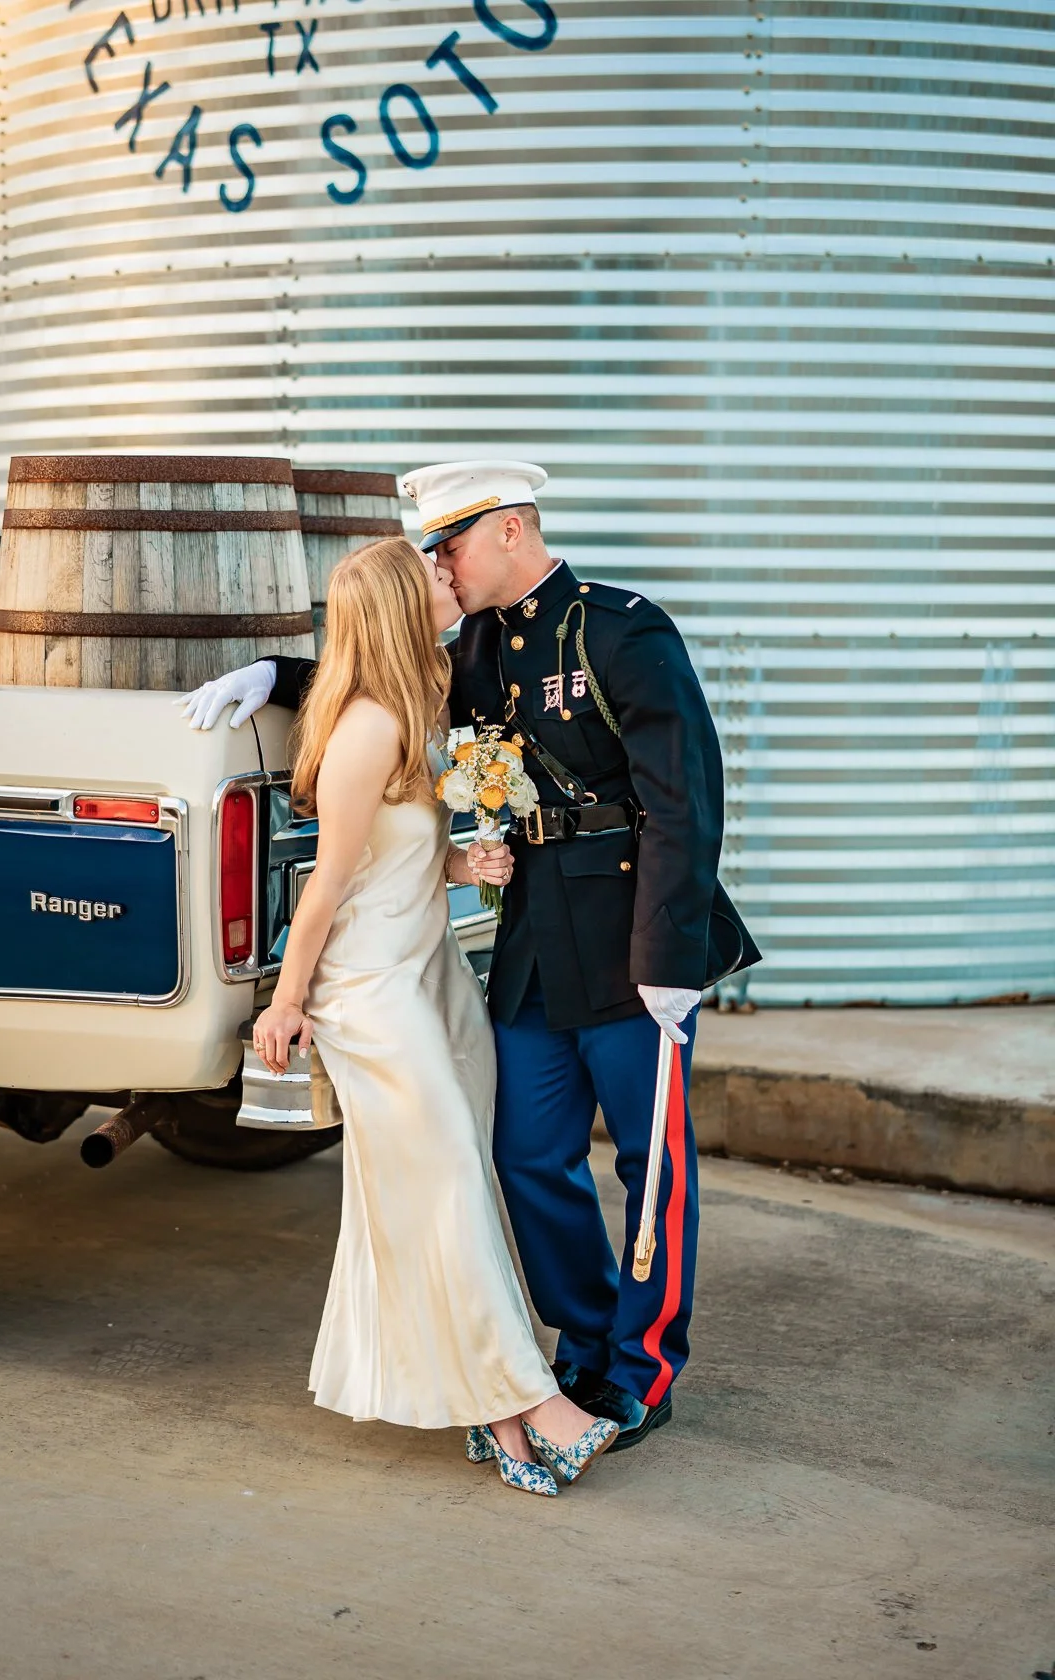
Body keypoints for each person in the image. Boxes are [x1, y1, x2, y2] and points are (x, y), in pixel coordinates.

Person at [182, 461, 760, 1452]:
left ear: (511, 529)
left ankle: (640, 1369)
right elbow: (384, 691)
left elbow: (683, 801)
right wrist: (278, 679)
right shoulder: (483, 649)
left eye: (450, 542)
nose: (439, 562)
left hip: (633, 937)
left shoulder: (622, 630)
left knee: (649, 1162)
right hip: (536, 937)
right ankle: (580, 1342)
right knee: (526, 1155)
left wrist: (670, 958)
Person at [245, 536, 618, 1496]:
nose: (452, 581)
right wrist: (287, 1004)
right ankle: (526, 1406)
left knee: (450, 1190)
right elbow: (325, 888)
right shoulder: (367, 726)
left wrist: (461, 865)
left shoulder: (417, 702)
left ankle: (486, 1404)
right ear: (401, 609)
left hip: (433, 974)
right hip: (370, 992)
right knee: (447, 1185)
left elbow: (392, 858)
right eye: (435, 579)